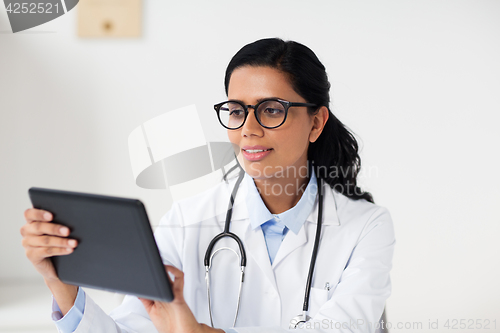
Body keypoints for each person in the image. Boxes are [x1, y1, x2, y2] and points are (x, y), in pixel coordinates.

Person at [20, 38, 395, 333]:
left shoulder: (366, 226)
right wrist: (63, 287)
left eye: (271, 110)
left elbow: (347, 327)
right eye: (236, 110)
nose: (248, 128)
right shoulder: (186, 221)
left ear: (316, 123)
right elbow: (131, 328)